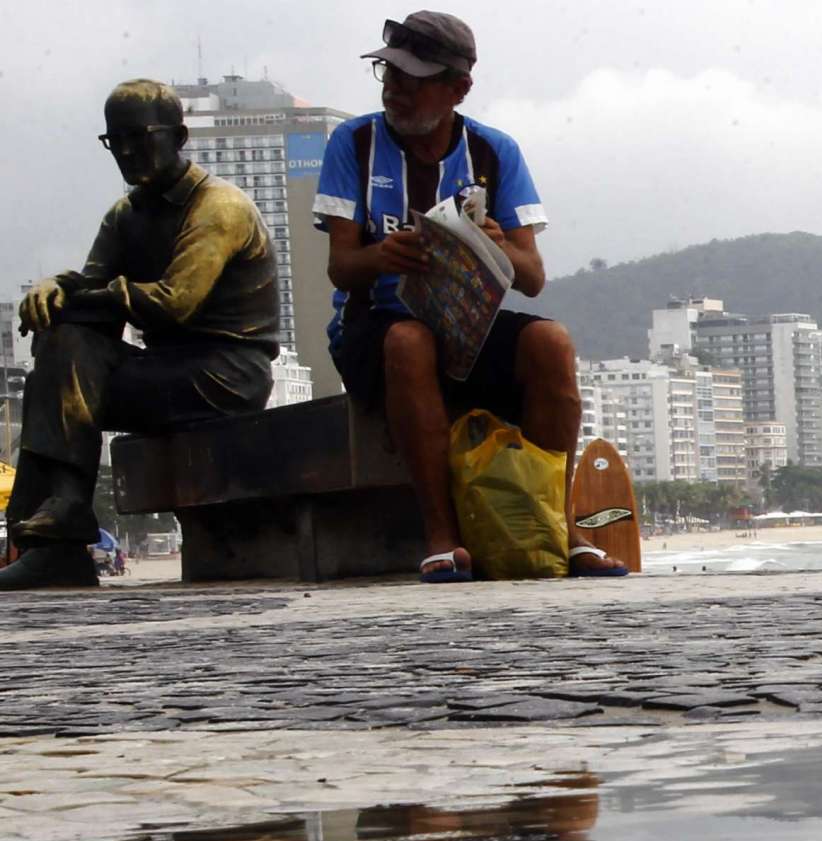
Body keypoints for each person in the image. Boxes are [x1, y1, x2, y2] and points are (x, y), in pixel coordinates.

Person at [313, 11, 626, 582]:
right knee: (409, 341)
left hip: (466, 326)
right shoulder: (353, 143)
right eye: (389, 75)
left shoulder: (493, 150)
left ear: (457, 88)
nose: (394, 90)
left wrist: (499, 245)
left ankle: (561, 524)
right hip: (376, 327)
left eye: (412, 79)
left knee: (551, 343)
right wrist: (384, 257)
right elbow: (341, 268)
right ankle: (441, 534)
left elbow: (531, 277)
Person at [0, 78, 279, 591]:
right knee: (61, 342)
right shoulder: (125, 216)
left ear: (179, 135)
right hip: (163, 370)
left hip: (225, 372)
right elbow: (93, 303)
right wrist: (57, 291)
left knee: (66, 343)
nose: (126, 151)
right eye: (115, 140)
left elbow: (176, 303)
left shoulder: (218, 207)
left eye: (139, 136)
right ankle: (52, 534)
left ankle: (59, 529)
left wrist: (80, 294)